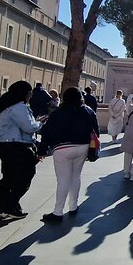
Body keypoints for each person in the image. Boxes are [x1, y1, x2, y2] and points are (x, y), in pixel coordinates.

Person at [38, 87, 99, 223]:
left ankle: (58, 212)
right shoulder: (89, 111)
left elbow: (47, 132)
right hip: (83, 147)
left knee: (63, 180)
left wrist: (42, 150)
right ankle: (73, 206)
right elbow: (95, 131)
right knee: (76, 176)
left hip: (62, 148)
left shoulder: (58, 113)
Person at [0, 80, 46, 220]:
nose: (31, 96)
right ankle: (11, 205)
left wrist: (34, 122)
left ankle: (0, 207)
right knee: (26, 174)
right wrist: (39, 122)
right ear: (25, 93)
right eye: (30, 93)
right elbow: (28, 127)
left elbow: (23, 126)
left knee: (9, 176)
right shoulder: (19, 108)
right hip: (15, 145)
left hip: (5, 144)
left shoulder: (10, 106)